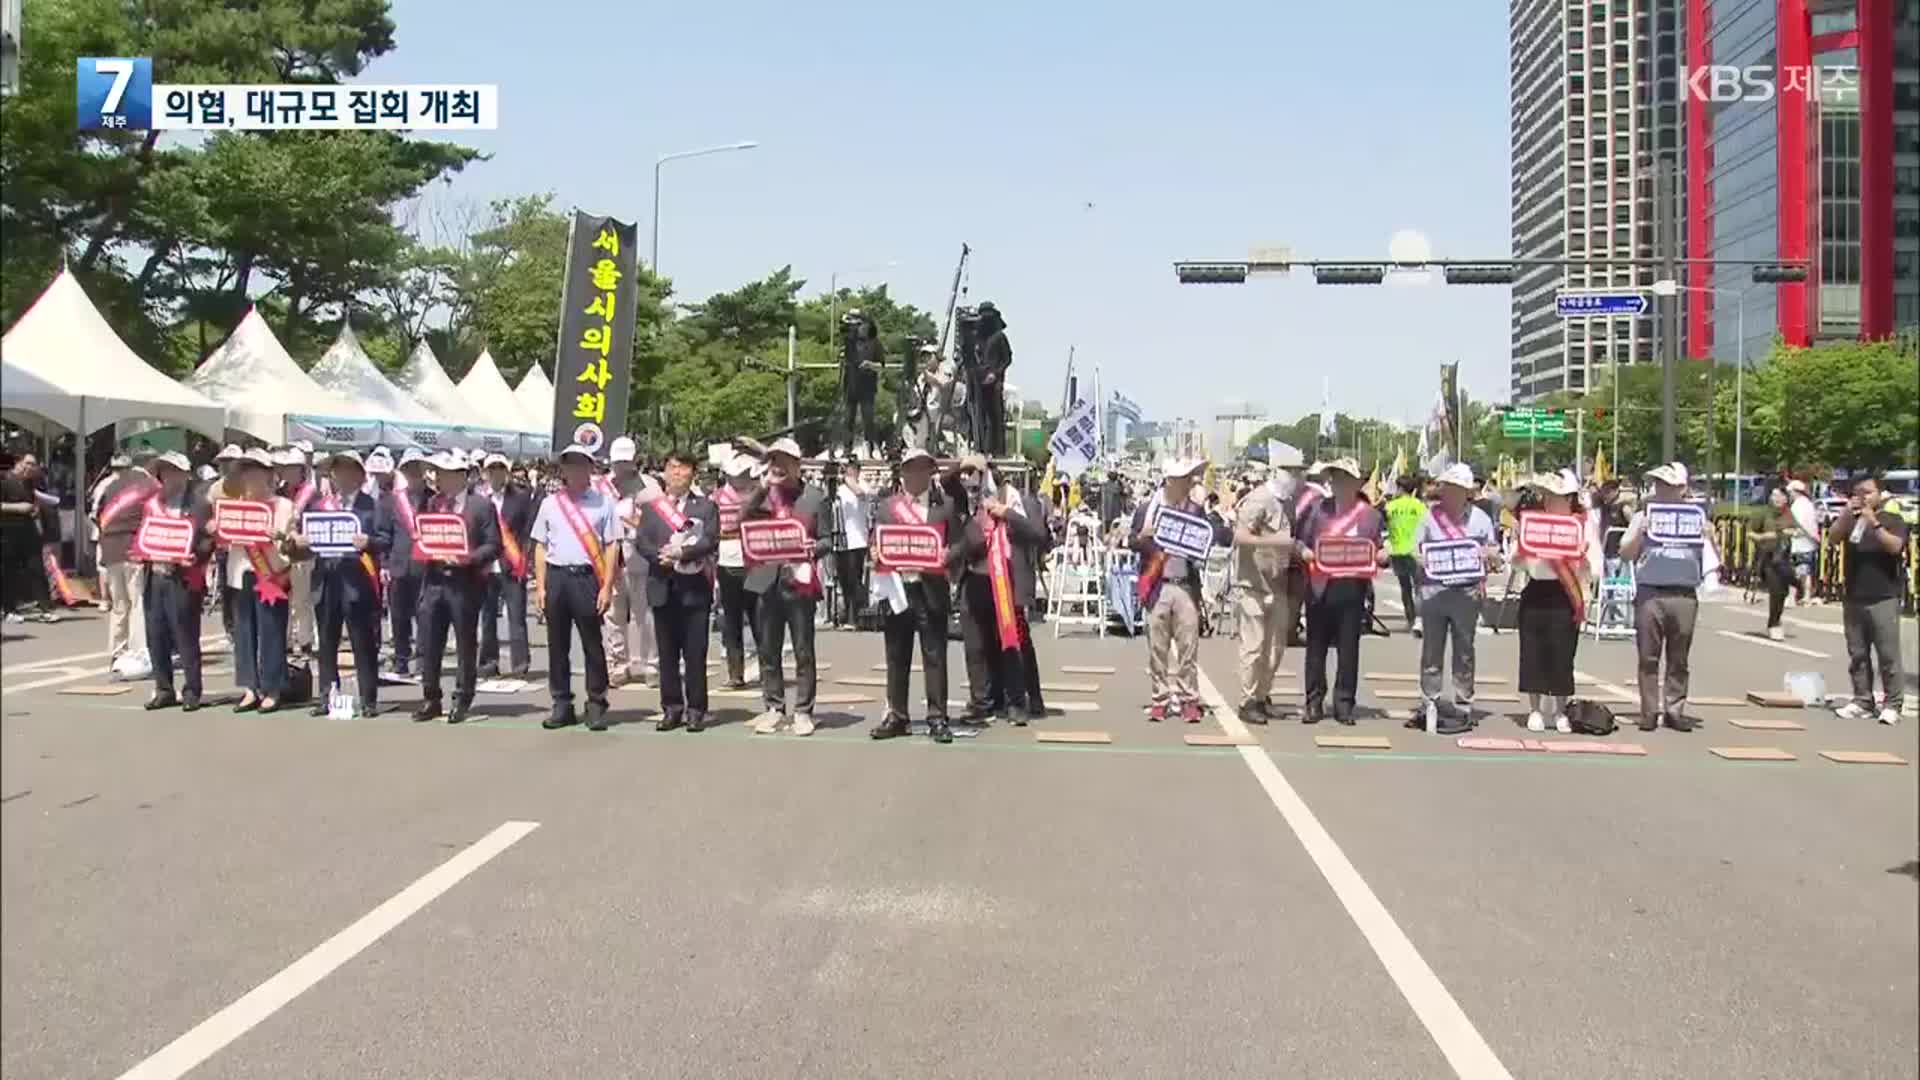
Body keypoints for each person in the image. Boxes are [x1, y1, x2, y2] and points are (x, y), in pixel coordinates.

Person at [738, 436, 831, 737]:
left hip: (800, 581)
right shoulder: (764, 495)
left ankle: (804, 710)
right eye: (774, 460)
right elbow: (741, 519)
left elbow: (829, 540)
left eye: (784, 461)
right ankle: (774, 707)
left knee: (804, 649)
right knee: (768, 648)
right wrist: (763, 486)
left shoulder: (815, 497)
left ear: (797, 465)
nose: (778, 467)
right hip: (766, 579)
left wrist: (812, 548)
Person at [1619, 462, 1721, 732]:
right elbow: (1625, 553)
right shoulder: (1643, 516)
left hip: (1684, 592)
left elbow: (1715, 559)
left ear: (1682, 489)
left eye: (1669, 485)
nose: (1662, 489)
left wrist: (1711, 538)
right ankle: (1649, 711)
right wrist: (1640, 534)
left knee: (1679, 658)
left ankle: (1675, 709)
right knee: (1648, 657)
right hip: (1650, 591)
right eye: (1659, 484)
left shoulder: (1699, 518)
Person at [868, 448, 960, 743]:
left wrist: (949, 554)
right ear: (902, 473)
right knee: (896, 654)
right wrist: (874, 551)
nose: (915, 474)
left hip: (931, 586)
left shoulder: (944, 506)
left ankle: (937, 716)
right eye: (910, 469)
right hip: (897, 588)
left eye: (922, 468)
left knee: (934, 653)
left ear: (930, 472)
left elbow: (963, 541)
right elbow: (876, 541)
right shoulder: (886, 507)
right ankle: (897, 714)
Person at [1131, 458, 1233, 723]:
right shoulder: (1147, 510)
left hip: (1185, 585)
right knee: (1157, 647)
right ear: (1171, 482)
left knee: (1188, 646)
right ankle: (1160, 698)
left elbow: (1215, 535)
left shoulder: (1194, 511)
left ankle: (1189, 700)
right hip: (1157, 585)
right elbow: (1131, 541)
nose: (1190, 483)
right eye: (1185, 479)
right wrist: (1144, 535)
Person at [630, 449, 721, 732]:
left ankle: (696, 709)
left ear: (693, 473)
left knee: (695, 653)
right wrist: (661, 556)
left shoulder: (705, 506)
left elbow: (710, 540)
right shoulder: (652, 507)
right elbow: (641, 541)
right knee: (666, 653)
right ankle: (671, 708)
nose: (677, 473)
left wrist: (681, 553)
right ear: (665, 472)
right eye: (672, 467)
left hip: (694, 587)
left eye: (683, 468)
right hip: (661, 584)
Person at [954, 461, 1052, 724]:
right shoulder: (971, 503)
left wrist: (1006, 512)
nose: (974, 483)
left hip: (1011, 583)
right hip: (976, 578)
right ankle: (987, 700)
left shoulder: (1020, 501)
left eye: (979, 477)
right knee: (980, 646)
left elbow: (1039, 535)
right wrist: (962, 463)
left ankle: (1022, 700)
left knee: (1015, 643)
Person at [406, 452, 499, 724]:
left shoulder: (481, 506)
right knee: (429, 642)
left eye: (448, 473)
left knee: (465, 643)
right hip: (434, 581)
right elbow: (423, 536)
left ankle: (462, 697)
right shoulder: (432, 504)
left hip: (465, 583)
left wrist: (468, 558)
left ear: (462, 476)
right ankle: (431, 697)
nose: (442, 479)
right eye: (440, 474)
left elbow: (494, 545)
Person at [1294, 458, 1389, 726]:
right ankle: (1313, 702)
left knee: (1349, 648)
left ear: (1357, 483)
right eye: (1335, 478)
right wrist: (1304, 551)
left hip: (1352, 587)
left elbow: (1380, 547)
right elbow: (1299, 540)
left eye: (1346, 479)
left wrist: (1383, 555)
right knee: (1316, 647)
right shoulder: (1316, 511)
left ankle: (1344, 703)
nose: (1340, 484)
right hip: (1319, 585)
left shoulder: (1370, 515)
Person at [532, 444, 620, 731]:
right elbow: (540, 546)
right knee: (557, 645)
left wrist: (607, 585)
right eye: (569, 465)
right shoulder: (550, 503)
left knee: (592, 643)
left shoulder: (603, 503)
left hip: (586, 577)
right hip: (557, 577)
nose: (575, 471)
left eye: (581, 465)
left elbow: (611, 545)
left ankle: (596, 702)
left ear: (590, 468)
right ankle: (561, 703)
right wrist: (541, 587)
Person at [292, 450, 382, 718]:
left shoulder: (371, 506)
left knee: (362, 642)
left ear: (359, 475)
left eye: (346, 470)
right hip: (326, 580)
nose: (340, 476)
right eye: (336, 470)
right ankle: (327, 696)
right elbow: (302, 545)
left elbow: (383, 540)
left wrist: (369, 542)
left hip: (357, 580)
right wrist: (299, 543)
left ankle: (368, 698)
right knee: (326, 643)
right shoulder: (320, 506)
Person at [1410, 463, 1499, 735]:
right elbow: (1414, 549)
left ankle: (1463, 702)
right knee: (1432, 650)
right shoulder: (1429, 517)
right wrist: (1422, 559)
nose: (1453, 493)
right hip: (1434, 591)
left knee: (1464, 648)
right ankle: (1430, 701)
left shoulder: (1480, 519)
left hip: (1466, 591)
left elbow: (1494, 550)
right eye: (1449, 488)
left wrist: (1489, 555)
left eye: (1459, 489)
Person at [1512, 470, 1589, 733]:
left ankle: (1559, 710)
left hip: (1566, 594)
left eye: (1556, 496)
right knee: (1532, 650)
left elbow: (1597, 566)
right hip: (1536, 590)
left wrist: (1583, 557)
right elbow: (1516, 562)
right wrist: (1524, 549)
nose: (1550, 501)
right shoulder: (1533, 523)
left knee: (1563, 654)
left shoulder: (1582, 524)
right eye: (1547, 496)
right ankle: (1534, 709)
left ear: (1570, 499)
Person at [138, 452, 214, 711]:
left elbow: (207, 539)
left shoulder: (199, 504)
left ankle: (192, 690)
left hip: (183, 578)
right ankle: (163, 688)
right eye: (165, 472)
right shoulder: (151, 504)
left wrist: (197, 555)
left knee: (186, 636)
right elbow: (142, 536)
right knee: (155, 634)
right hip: (155, 574)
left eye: (174, 471)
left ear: (185, 475)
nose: (169, 477)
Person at [1828, 474, 1907, 724]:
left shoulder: (1893, 520)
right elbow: (1832, 538)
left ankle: (1893, 703)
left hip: (1883, 595)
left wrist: (1873, 522)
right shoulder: (1851, 520)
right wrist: (1845, 514)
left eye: (1868, 492)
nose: (1863, 497)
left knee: (1888, 653)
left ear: (1879, 495)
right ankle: (1862, 699)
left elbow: (1895, 546)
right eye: (1858, 492)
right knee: (1858, 653)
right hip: (1854, 594)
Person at [224, 448, 295, 713]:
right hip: (241, 572)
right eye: (246, 472)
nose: (250, 478)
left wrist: (278, 536)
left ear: (268, 475)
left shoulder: (283, 506)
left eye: (255, 471)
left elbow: (292, 545)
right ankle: (248, 687)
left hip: (271, 574)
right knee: (243, 631)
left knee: (272, 631)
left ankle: (272, 687)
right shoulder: (233, 507)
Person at [1230, 464, 1296, 722]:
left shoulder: (1287, 503)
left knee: (1275, 648)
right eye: (1294, 473)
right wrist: (1272, 541)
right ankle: (1247, 701)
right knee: (1253, 646)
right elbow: (1240, 536)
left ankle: (1262, 695)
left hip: (1278, 583)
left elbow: (1289, 538)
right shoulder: (1258, 499)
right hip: (1253, 584)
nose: (1298, 480)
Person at [96, 447, 159, 670]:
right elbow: (157, 516)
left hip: (111, 549)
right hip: (134, 549)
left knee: (119, 604)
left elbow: (98, 515)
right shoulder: (151, 485)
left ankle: (116, 651)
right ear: (151, 463)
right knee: (138, 602)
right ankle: (138, 652)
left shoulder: (112, 485)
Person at [605, 436, 660, 688]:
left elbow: (661, 521)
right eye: (617, 462)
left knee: (643, 614)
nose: (622, 467)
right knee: (613, 615)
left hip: (640, 558)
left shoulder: (649, 486)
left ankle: (649, 664)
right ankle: (618, 664)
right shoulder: (602, 487)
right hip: (610, 559)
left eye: (626, 462)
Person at [373, 448, 431, 675]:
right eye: (409, 468)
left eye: (418, 467)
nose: (414, 472)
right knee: (398, 616)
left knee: (425, 615)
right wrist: (384, 564)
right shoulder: (390, 501)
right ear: (403, 471)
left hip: (425, 566)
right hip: (399, 565)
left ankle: (424, 658)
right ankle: (401, 658)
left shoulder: (433, 499)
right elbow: (383, 535)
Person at [478, 453, 534, 678]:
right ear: (485, 473)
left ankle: (520, 663)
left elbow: (527, 531)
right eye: (492, 470)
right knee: (488, 616)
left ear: (507, 473)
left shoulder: (520, 498)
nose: (496, 474)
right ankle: (488, 662)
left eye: (500, 469)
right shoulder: (479, 499)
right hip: (486, 565)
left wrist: (524, 560)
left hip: (512, 564)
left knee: (516, 616)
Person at [712, 453, 761, 689]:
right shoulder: (717, 498)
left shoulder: (758, 495)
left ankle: (767, 666)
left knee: (759, 617)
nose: (740, 479)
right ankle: (735, 672)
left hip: (754, 560)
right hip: (727, 560)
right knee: (731, 620)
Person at [275, 446, 320, 658]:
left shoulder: (311, 494)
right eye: (286, 469)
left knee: (302, 599)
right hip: (283, 552)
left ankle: (305, 641)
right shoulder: (280, 492)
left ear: (301, 470)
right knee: (284, 598)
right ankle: (284, 640)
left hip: (304, 553)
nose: (288, 473)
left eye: (293, 468)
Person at [1750, 486, 1798, 639]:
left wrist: (1791, 532)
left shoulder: (1788, 514)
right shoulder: (1763, 513)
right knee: (1776, 590)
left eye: (1780, 496)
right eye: (1774, 495)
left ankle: (1798, 588)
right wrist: (1764, 537)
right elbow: (1750, 533)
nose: (1777, 499)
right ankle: (1774, 624)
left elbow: (1796, 530)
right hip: (1767, 557)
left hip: (1783, 557)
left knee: (1783, 591)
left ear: (1786, 499)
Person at [1383, 473, 1427, 634]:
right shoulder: (1419, 506)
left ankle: (1410, 619)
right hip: (1415, 551)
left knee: (1405, 587)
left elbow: (1384, 525)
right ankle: (1419, 621)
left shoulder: (1390, 506)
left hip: (1396, 551)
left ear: (1400, 488)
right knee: (1419, 588)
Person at [838, 310, 885, 457]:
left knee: (868, 420)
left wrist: (870, 364)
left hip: (868, 387)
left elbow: (882, 365)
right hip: (850, 385)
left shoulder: (875, 343)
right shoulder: (850, 341)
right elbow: (842, 327)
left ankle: (870, 450)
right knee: (848, 419)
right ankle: (847, 450)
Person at [832, 460, 872, 628]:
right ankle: (847, 614)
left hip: (857, 540)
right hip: (841, 540)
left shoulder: (863, 485)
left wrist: (847, 478)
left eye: (850, 469)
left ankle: (857, 615)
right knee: (844, 579)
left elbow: (861, 493)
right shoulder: (839, 490)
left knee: (855, 579)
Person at [1784, 478, 1820, 605]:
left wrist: (1788, 532)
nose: (1789, 495)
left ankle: (1792, 597)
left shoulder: (1797, 506)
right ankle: (1806, 595)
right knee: (1806, 571)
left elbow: (1796, 525)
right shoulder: (1809, 504)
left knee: (1796, 571)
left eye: (1790, 492)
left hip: (1799, 543)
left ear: (1795, 492)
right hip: (1810, 543)